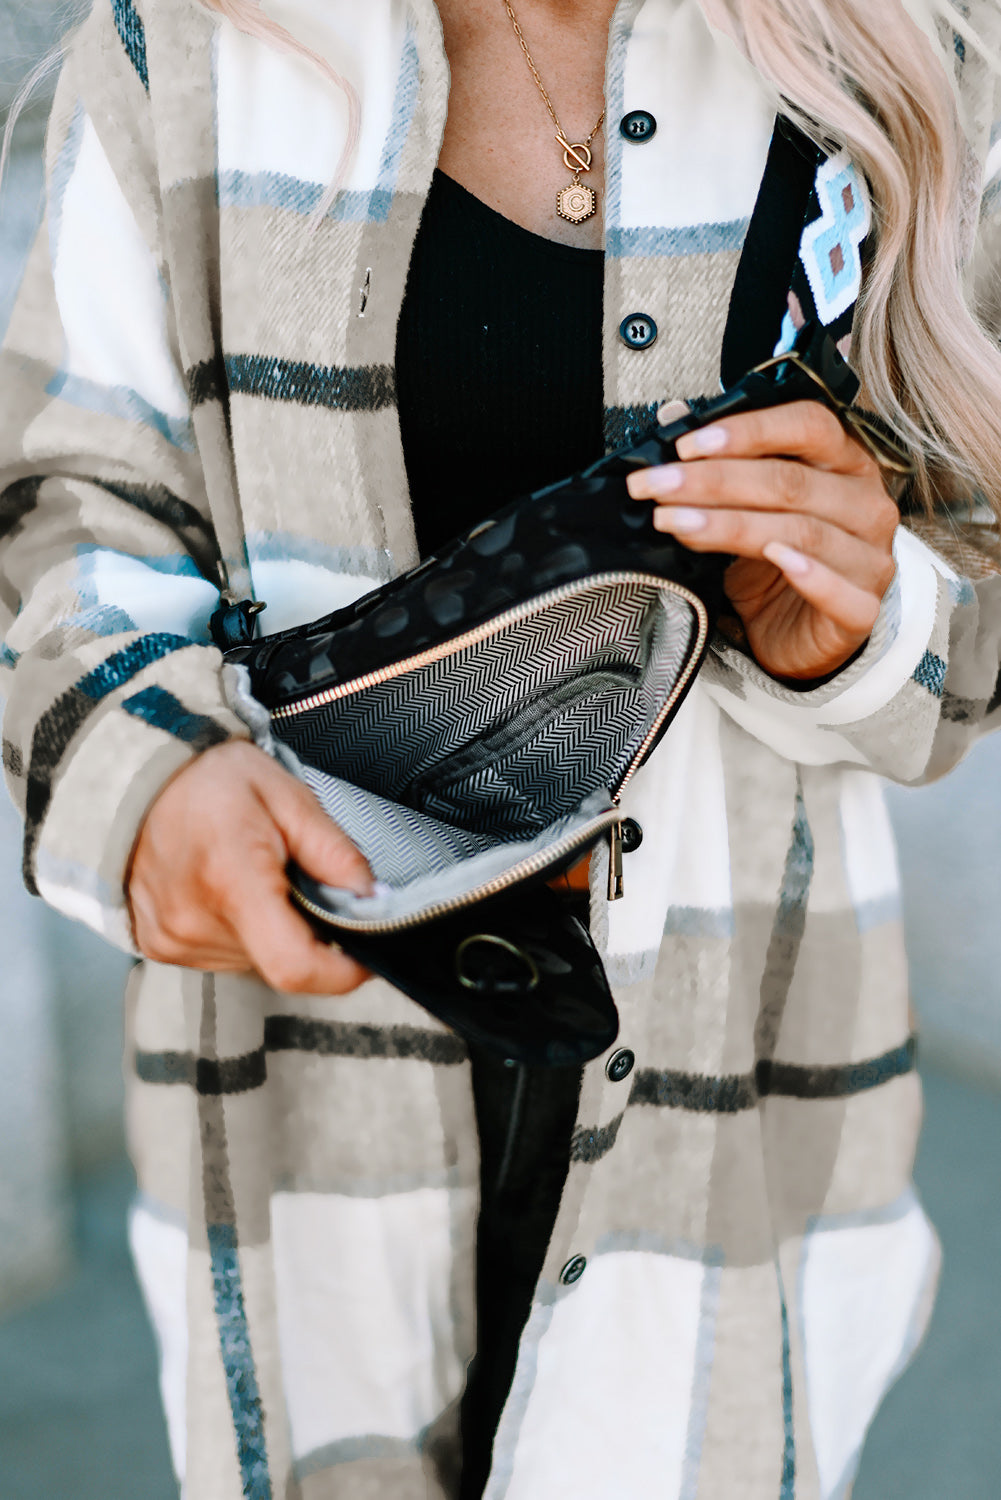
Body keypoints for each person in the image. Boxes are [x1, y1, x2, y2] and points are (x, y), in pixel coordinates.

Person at [2, 0, 1001, 1494]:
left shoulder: (909, 57)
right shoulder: (176, 54)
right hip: (308, 1085)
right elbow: (70, 512)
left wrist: (863, 625)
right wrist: (152, 786)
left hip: (737, 1087)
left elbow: (972, 579)